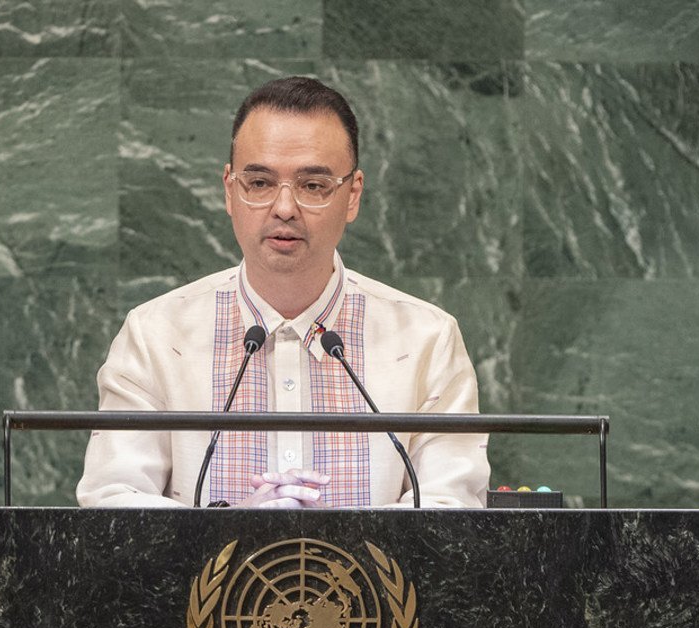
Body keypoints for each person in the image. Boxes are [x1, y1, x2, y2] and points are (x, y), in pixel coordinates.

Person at [77, 76, 490, 509]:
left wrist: (334, 543)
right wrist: (237, 534)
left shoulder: (428, 340)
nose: (285, 208)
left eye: (313, 186)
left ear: (352, 195)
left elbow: (452, 508)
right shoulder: (156, 335)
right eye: (259, 183)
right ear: (229, 191)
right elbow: (113, 499)